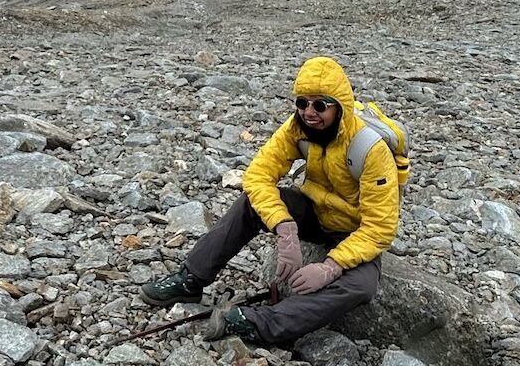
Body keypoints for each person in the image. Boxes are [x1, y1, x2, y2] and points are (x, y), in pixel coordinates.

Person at [139, 55, 403, 345]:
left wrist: (332, 266)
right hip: (315, 213)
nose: (308, 112)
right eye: (302, 103)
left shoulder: (370, 150)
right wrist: (284, 227)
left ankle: (259, 323)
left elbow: (380, 227)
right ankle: (191, 278)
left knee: (362, 287)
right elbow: (258, 176)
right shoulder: (297, 129)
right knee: (252, 203)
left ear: (340, 106)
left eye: (320, 105)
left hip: (354, 231)